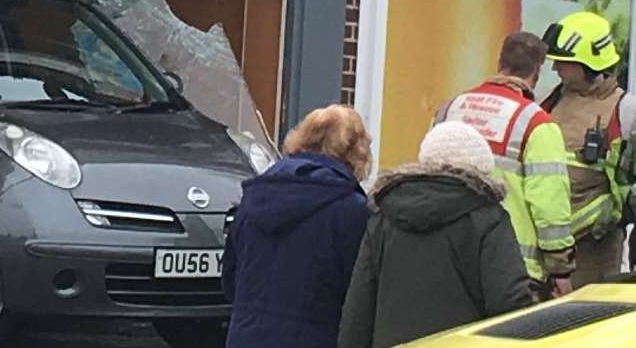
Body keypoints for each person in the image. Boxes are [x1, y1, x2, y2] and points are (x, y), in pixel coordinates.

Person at [339, 121, 533, 348]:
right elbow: (509, 303)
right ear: (480, 169)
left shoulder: (385, 217)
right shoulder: (488, 218)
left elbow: (358, 309)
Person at [434, 32, 575, 297]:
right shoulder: (537, 124)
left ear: (500, 62)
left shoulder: (450, 109)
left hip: (450, 261)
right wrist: (560, 271)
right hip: (514, 271)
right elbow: (549, 204)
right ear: (538, 69)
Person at [222, 104, 371, 348]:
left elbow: (230, 277)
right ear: (356, 152)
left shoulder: (254, 197)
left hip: (246, 337)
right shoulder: (351, 209)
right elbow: (357, 294)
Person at [540, 10, 636, 288]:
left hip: (595, 250)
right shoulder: (551, 102)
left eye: (563, 62)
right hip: (551, 248)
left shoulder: (626, 111)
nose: (555, 68)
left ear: (589, 64)